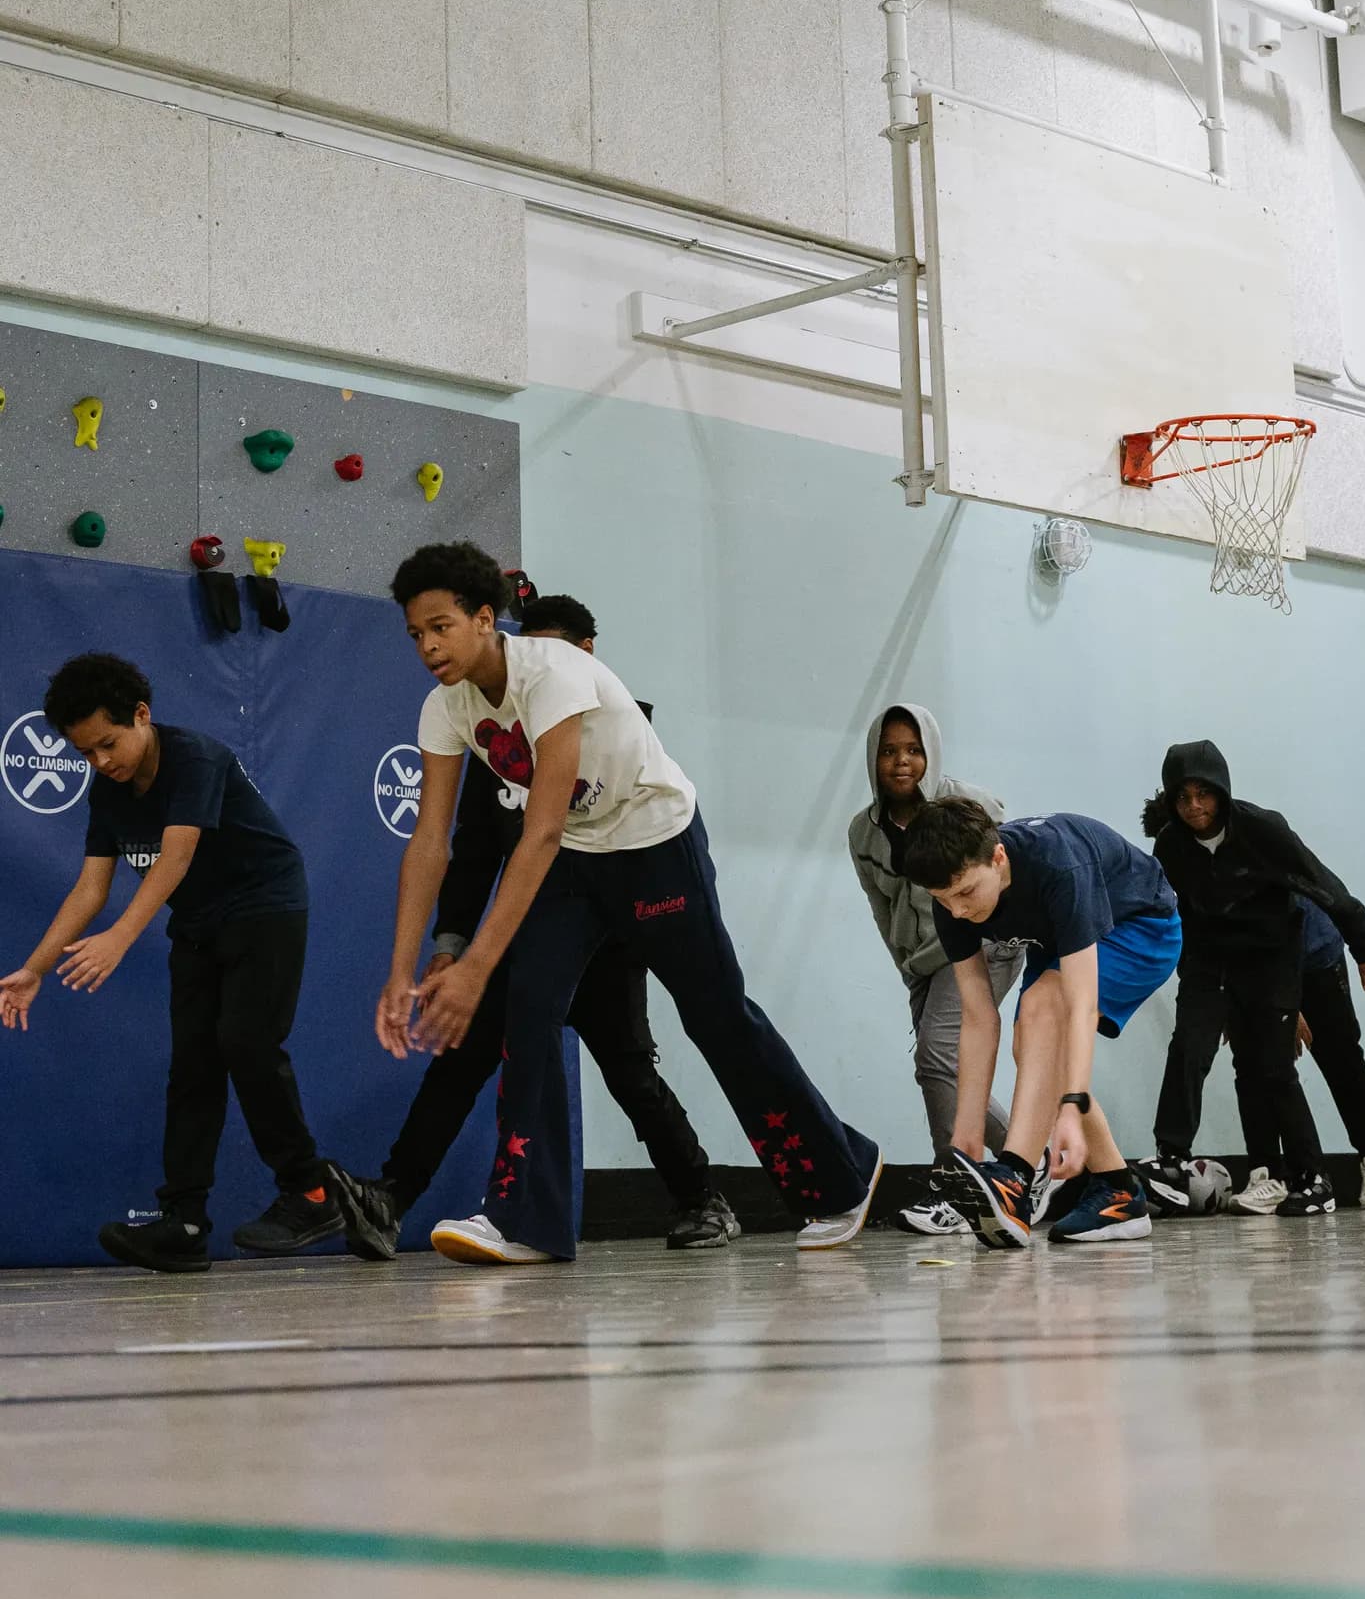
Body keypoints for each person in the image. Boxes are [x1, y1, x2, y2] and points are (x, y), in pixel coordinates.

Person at [377, 542, 881, 1265]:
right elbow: (430, 840)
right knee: (530, 1009)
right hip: (577, 858)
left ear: (485, 619)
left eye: (440, 626)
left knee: (716, 1017)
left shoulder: (553, 673)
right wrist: (403, 971)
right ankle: (526, 1220)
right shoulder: (445, 707)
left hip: (653, 842)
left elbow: (540, 827)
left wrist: (475, 967)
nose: (427, 646)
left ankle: (841, 1178)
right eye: (415, 634)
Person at [333, 594, 738, 1259]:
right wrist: (452, 946)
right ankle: (396, 1197)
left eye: (553, 652)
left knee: (629, 1070)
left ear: (585, 657)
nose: (537, 669)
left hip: (606, 930)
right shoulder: (491, 738)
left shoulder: (620, 732)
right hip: (529, 926)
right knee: (465, 1049)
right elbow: (471, 850)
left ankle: (701, 1197)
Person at [0, 652, 346, 1272]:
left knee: (246, 1042)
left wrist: (121, 938)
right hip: (199, 921)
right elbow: (89, 890)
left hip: (264, 904)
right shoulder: (108, 791)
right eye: (85, 753)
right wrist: (35, 968)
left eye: (108, 744)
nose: (101, 762)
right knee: (192, 1067)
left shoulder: (195, 759)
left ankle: (310, 1192)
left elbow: (176, 857)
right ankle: (183, 1223)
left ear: (142, 714)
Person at [901, 799, 1182, 1247]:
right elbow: (978, 1017)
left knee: (1042, 1007)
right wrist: (967, 1132)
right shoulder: (953, 898)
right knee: (1031, 1050)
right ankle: (1119, 1191)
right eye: (942, 900)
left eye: (966, 893)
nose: (956, 911)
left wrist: (1071, 1105)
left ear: (998, 858)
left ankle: (1015, 1176)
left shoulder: (1058, 864)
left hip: (1142, 927)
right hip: (1059, 940)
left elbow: (1081, 1003)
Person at [1143, 743, 1365, 1219]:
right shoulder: (1170, 845)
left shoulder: (1262, 830)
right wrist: (1206, 999)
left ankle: (1316, 1178)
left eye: (1204, 794)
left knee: (1278, 1065)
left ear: (1222, 792)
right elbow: (1177, 917)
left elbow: (1323, 884)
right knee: (1190, 1045)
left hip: (1276, 956)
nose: (1195, 807)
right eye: (1183, 797)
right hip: (1211, 961)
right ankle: (1172, 1157)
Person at [847, 704, 1023, 1236]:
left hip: (981, 944)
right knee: (942, 1068)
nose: (902, 762)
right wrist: (907, 966)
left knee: (937, 1057)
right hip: (923, 961)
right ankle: (1036, 1165)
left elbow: (1006, 869)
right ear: (873, 758)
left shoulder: (966, 803)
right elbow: (881, 908)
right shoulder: (863, 833)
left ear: (930, 753)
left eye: (913, 749)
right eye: (889, 751)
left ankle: (956, 1190)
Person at [1294, 901, 1365, 1209]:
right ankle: (1283, 1174)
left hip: (1319, 960)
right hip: (1263, 967)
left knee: (1342, 1061)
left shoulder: (1292, 870)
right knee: (1268, 1067)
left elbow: (1334, 892)